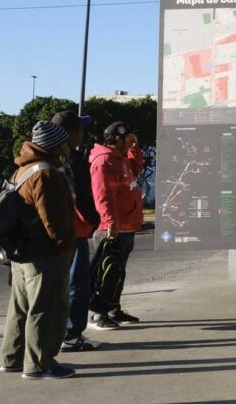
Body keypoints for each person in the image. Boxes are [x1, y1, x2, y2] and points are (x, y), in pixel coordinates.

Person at [0, 121, 77, 379]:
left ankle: (12, 359)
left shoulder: (22, 170)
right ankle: (40, 365)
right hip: (44, 253)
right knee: (47, 307)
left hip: (22, 252)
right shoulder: (46, 174)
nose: (68, 145)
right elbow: (54, 219)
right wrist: (65, 248)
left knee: (20, 308)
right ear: (55, 145)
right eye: (64, 141)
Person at [87, 121, 144, 330]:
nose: (131, 141)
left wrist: (135, 149)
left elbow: (136, 170)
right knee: (106, 274)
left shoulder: (120, 158)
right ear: (118, 138)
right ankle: (96, 315)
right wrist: (110, 222)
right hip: (112, 228)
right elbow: (102, 195)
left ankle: (113, 309)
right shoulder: (104, 161)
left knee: (117, 273)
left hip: (127, 226)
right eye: (128, 138)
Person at [51, 110, 100, 352]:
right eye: (80, 129)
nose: (83, 133)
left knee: (68, 284)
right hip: (75, 231)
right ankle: (70, 335)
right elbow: (78, 196)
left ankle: (66, 333)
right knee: (77, 285)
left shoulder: (60, 157)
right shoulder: (69, 160)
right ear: (70, 133)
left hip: (66, 231)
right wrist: (93, 220)